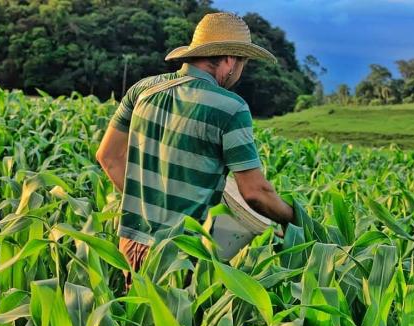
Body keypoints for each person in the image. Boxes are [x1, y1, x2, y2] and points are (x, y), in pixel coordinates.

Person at [95, 12, 294, 288]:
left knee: (137, 321)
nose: (239, 73)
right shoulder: (231, 107)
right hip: (183, 254)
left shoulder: (142, 90)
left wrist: (147, 208)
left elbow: (108, 157)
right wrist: (293, 219)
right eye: (243, 63)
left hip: (131, 243)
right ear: (228, 60)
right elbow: (255, 192)